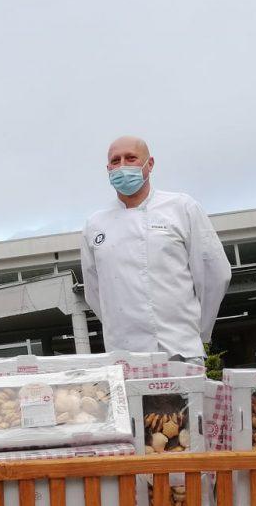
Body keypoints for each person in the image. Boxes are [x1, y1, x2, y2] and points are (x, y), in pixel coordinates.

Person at [81, 135, 231, 362]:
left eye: (131, 158)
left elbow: (215, 275)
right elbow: (94, 292)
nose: (122, 166)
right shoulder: (94, 225)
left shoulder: (182, 207)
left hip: (180, 350)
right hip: (124, 356)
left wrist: (196, 332)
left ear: (149, 164)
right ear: (108, 169)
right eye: (115, 161)